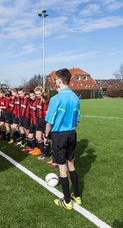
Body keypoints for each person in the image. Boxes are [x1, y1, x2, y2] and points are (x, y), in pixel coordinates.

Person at [44, 68, 81, 210]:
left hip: (59, 135)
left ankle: (66, 201)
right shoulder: (75, 97)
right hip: (72, 133)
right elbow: (77, 121)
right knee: (71, 163)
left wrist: (46, 136)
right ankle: (76, 196)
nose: (54, 82)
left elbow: (49, 122)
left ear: (60, 81)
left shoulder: (56, 98)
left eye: (55, 80)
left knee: (62, 167)